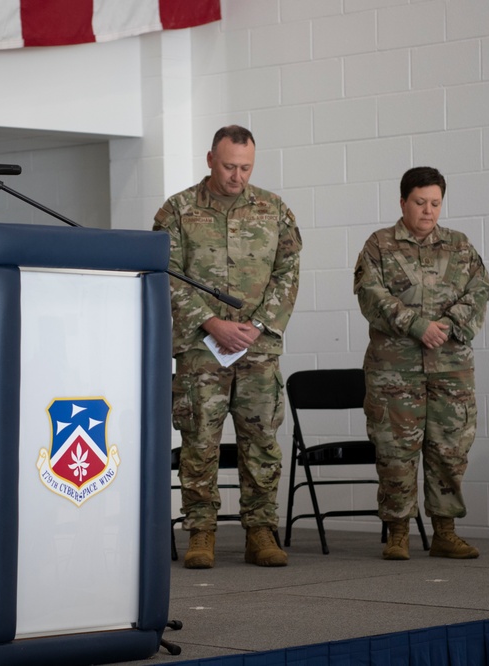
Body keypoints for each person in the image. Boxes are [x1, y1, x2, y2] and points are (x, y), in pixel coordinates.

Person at [153, 125, 302, 569]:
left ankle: (261, 531)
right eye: (229, 166)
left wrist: (257, 326)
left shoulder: (274, 210)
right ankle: (201, 532)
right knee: (200, 441)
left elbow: (288, 272)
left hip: (257, 349)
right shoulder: (177, 211)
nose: (237, 175)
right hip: (202, 349)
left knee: (262, 442)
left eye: (245, 167)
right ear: (209, 160)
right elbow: (165, 271)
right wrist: (211, 322)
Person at [353, 166, 489, 562]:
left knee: (450, 449)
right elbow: (371, 296)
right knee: (395, 451)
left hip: (451, 368)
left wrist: (446, 326)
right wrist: (416, 325)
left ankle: (445, 532)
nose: (428, 211)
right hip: (394, 370)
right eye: (420, 202)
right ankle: (397, 533)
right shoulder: (378, 245)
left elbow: (481, 291)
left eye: (435, 203)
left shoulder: (460, 246)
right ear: (403, 202)